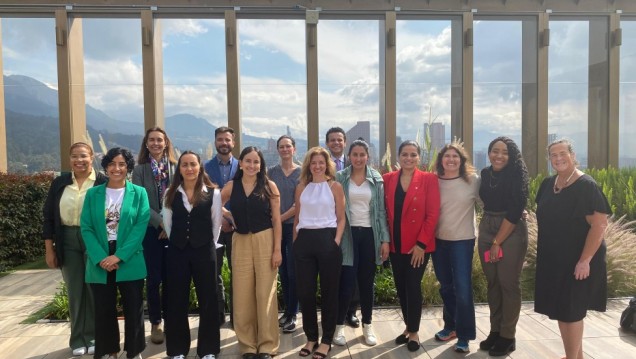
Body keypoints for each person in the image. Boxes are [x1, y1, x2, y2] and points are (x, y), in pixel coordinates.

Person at [534, 139, 611, 359]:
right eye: (553, 155)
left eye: (562, 153)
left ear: (572, 155)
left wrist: (585, 260)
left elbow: (599, 224)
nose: (558, 158)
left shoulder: (586, 185)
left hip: (578, 260)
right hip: (554, 259)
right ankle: (575, 356)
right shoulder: (548, 184)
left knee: (572, 312)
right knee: (562, 310)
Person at [80, 147, 149, 359]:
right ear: (106, 166)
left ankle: (134, 350)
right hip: (100, 257)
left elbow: (140, 226)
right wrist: (101, 257)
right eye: (112, 164)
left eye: (122, 164)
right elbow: (86, 227)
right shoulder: (93, 193)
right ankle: (109, 350)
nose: (117, 168)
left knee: (133, 307)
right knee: (103, 309)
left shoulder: (139, 193)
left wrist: (118, 256)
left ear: (128, 167)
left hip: (128, 257)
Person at [42, 142, 107, 356]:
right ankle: (78, 339)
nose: (79, 160)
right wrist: (49, 249)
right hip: (67, 239)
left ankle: (94, 336)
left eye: (83, 156)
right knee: (75, 291)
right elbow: (49, 218)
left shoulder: (102, 182)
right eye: (74, 156)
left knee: (93, 288)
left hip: (94, 239)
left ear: (92, 157)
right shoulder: (60, 183)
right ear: (69, 159)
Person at [221, 146, 282, 359]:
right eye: (248, 161)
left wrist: (277, 250)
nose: (252, 165)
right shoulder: (231, 186)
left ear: (261, 165)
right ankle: (247, 345)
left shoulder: (269, 186)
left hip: (266, 239)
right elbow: (214, 204)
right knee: (242, 293)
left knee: (266, 293)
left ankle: (267, 345)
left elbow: (276, 220)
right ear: (241, 162)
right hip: (240, 241)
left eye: (256, 162)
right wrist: (227, 216)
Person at [162, 151, 221, 359]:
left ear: (200, 167)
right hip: (177, 252)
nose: (189, 168)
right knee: (176, 300)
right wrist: (180, 242)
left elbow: (216, 224)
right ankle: (177, 349)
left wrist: (205, 244)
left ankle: (208, 350)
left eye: (193, 164)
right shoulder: (170, 192)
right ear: (179, 169)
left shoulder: (213, 193)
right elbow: (168, 225)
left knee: (208, 300)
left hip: (205, 251)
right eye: (184, 165)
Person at [383, 140, 440, 352]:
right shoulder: (388, 179)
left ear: (419, 157)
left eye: (413, 154)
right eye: (405, 154)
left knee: (413, 286)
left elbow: (433, 214)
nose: (409, 158)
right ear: (398, 157)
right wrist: (385, 241)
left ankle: (414, 331)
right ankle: (408, 327)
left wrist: (421, 244)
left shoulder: (429, 179)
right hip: (395, 243)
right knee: (401, 287)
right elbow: (383, 213)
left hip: (418, 245)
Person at [332, 139, 390, 347]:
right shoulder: (340, 177)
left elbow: (381, 212)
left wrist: (385, 239)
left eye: (362, 155)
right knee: (346, 283)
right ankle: (338, 327)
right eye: (354, 155)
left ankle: (367, 325)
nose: (358, 158)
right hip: (347, 236)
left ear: (368, 156)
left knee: (366, 284)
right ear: (349, 156)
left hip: (369, 235)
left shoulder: (376, 179)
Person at [477, 136, 529, 356]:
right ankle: (495, 331)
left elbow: (516, 210)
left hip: (511, 230)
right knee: (493, 283)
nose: (499, 156)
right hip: (487, 226)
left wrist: (498, 242)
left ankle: (508, 336)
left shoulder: (518, 176)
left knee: (508, 283)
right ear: (489, 153)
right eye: (494, 151)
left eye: (504, 152)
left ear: (512, 156)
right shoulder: (485, 174)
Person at [294, 147, 345, 359]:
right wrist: (295, 241)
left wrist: (335, 241)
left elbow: (341, 218)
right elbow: (297, 217)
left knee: (329, 293)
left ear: (327, 165)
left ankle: (326, 341)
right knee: (306, 293)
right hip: (304, 241)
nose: (317, 166)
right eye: (313, 162)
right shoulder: (301, 187)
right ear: (308, 165)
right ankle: (311, 337)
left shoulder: (335, 186)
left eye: (321, 162)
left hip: (327, 240)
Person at [431, 141, 481, 353]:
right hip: (439, 241)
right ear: (441, 160)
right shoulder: (433, 182)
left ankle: (465, 335)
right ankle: (450, 326)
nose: (451, 160)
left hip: (462, 241)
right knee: (446, 286)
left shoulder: (473, 181)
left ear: (462, 161)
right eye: (447, 156)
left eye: (455, 157)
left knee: (462, 288)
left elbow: (490, 204)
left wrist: (519, 212)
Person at [132, 127, 176, 344]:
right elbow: (140, 202)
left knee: (171, 279)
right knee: (154, 279)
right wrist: (160, 224)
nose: (156, 143)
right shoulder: (139, 171)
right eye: (152, 140)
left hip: (173, 232)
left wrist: (169, 226)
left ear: (166, 142)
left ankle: (170, 320)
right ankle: (156, 323)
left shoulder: (176, 168)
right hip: (150, 232)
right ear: (146, 143)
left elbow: (181, 199)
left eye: (160, 140)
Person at [325, 127, 360, 328]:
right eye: (332, 140)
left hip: (353, 223)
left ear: (345, 142)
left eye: (339, 140)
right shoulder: (321, 164)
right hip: (328, 224)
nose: (336, 143)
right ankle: (333, 310)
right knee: (333, 270)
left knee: (352, 269)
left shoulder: (354, 162)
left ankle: (351, 311)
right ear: (327, 143)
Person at [204, 126, 239, 325]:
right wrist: (223, 218)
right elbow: (204, 196)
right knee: (213, 272)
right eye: (220, 139)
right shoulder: (205, 167)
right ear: (215, 142)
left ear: (233, 142)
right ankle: (217, 315)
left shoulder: (243, 166)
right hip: (212, 228)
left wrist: (232, 220)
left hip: (237, 228)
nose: (224, 143)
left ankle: (237, 315)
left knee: (238, 272)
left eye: (227, 140)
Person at [267, 135, 301, 333]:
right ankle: (287, 312)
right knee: (283, 272)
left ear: (294, 149)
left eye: (288, 146)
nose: (285, 149)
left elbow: (300, 204)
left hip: (294, 228)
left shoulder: (302, 173)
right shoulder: (271, 172)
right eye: (282, 147)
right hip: (276, 229)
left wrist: (279, 218)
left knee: (293, 272)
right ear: (277, 150)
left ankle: (293, 313)